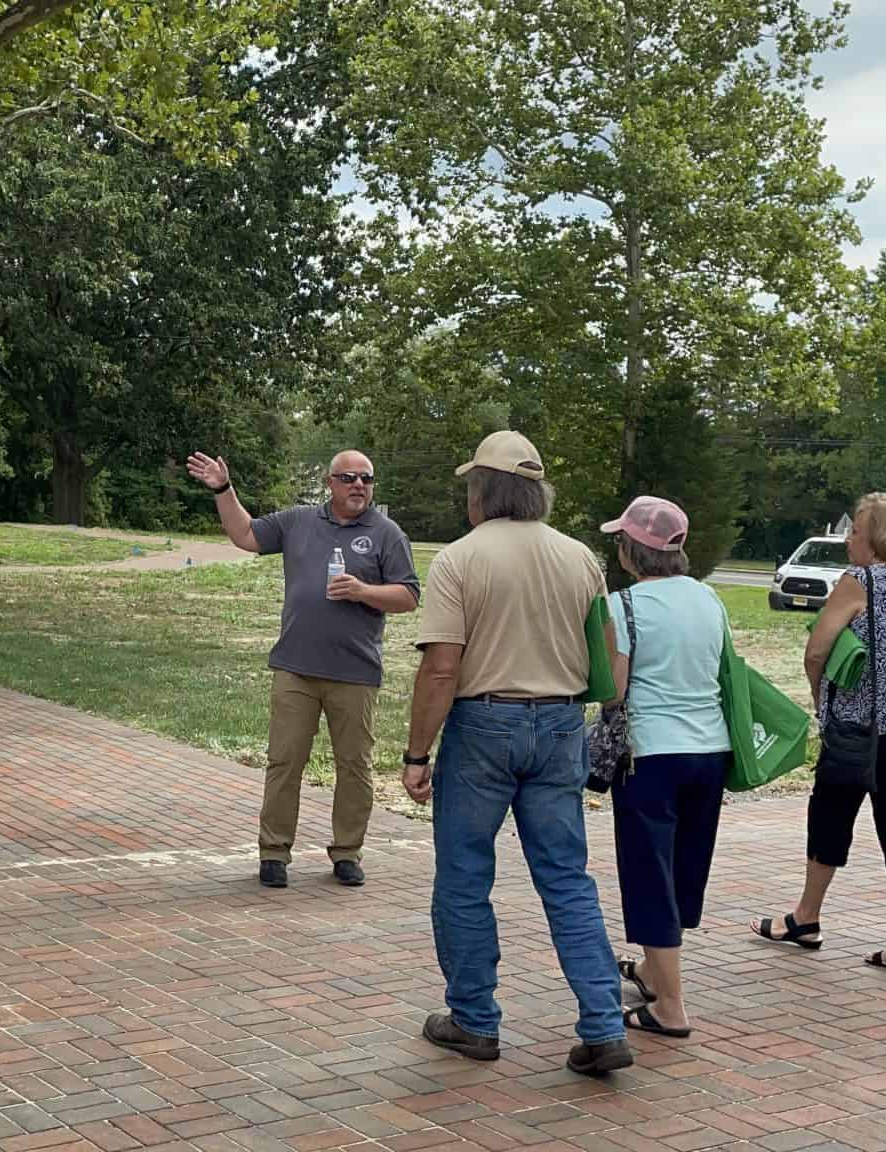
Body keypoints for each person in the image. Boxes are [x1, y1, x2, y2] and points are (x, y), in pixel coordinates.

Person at [399, 430, 633, 1077]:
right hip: (560, 724)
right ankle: (602, 1022)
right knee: (566, 879)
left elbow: (442, 669)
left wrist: (418, 753)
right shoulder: (579, 557)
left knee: (465, 876)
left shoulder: (460, 560)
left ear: (481, 492)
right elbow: (608, 662)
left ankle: (473, 1019)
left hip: (483, 724)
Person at [186, 448, 420, 890]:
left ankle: (347, 852)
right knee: (285, 760)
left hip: (355, 672)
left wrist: (364, 591)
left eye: (366, 479)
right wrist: (222, 488)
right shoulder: (298, 522)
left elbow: (408, 596)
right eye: (349, 477)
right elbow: (245, 535)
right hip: (295, 667)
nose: (358, 486)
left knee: (355, 765)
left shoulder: (387, 534)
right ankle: (274, 852)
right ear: (329, 483)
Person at [752, 492, 886, 977]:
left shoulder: (858, 582)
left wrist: (822, 703)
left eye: (855, 530)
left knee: (832, 814)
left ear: (876, 537)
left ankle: (805, 917)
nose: (848, 539)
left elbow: (817, 652)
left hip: (860, 725)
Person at [600, 496, 729, 1040]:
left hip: (651, 753)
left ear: (632, 551)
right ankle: (655, 972)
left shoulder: (622, 606)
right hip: (711, 750)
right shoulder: (710, 599)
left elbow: (615, 688)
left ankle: (670, 1005)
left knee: (649, 871)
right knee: (683, 867)